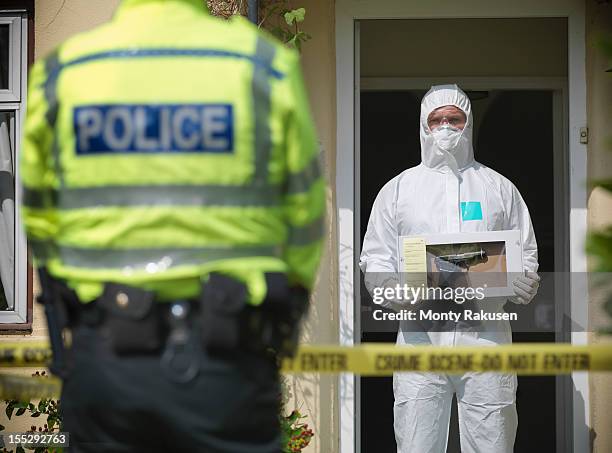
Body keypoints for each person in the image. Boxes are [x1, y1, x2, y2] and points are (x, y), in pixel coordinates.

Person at [21, 0, 325, 451]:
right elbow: (304, 214)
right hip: (228, 362)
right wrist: (287, 307)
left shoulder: (64, 71)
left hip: (106, 361)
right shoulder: (263, 66)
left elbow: (38, 218)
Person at [360, 84, 540, 453]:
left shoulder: (499, 188)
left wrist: (524, 281)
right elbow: (375, 257)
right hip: (419, 337)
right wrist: (392, 290)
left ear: (467, 123)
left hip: (486, 337)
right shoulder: (398, 190)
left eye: (454, 119)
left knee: (493, 438)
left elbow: (525, 251)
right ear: (423, 126)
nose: (445, 126)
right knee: (416, 439)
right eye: (436, 119)